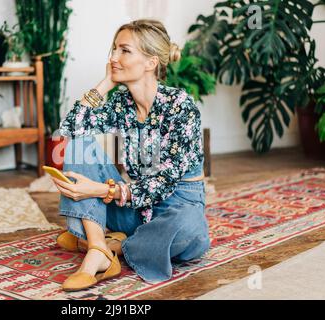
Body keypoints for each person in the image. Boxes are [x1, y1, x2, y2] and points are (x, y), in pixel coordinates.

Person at [51, 19, 210, 291]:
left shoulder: (180, 106)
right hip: (136, 208)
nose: (113, 57)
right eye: (113, 49)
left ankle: (115, 242)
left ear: (150, 62)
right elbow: (69, 129)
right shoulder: (121, 103)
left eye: (124, 50)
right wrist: (104, 84)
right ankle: (99, 251)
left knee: (191, 230)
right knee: (79, 143)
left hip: (177, 207)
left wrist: (98, 190)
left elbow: (164, 184)